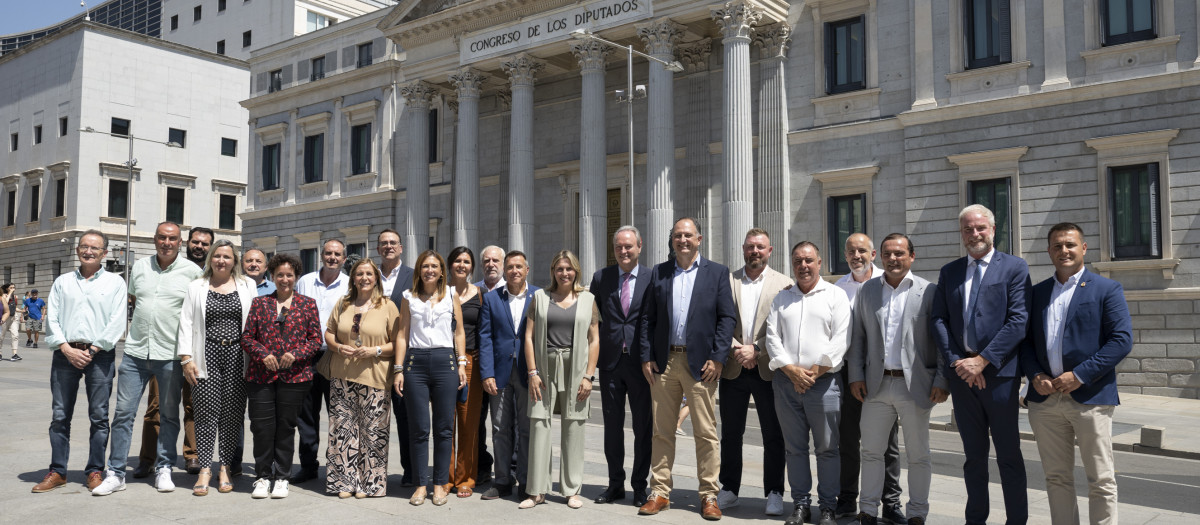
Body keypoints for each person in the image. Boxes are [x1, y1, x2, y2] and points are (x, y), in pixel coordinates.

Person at [1022, 223, 1132, 525]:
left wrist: (1080, 374)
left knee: (1101, 478)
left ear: (1083, 248)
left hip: (1090, 398)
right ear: (1049, 252)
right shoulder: (1037, 293)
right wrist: (1034, 375)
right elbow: (1026, 343)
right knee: (1056, 478)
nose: (1064, 251)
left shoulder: (1106, 289)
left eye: (1070, 245)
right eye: (1057, 246)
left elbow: (1121, 341)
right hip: (1045, 402)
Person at [931, 204, 1031, 525]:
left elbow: (1018, 321)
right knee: (973, 458)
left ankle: (1016, 520)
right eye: (967, 229)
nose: (974, 234)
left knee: (1009, 457)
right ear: (961, 233)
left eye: (980, 228)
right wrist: (959, 363)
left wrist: (983, 361)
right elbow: (939, 320)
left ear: (992, 229)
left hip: (1000, 378)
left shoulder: (1015, 268)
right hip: (963, 379)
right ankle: (975, 519)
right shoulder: (950, 272)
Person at [636, 217, 737, 521]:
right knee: (662, 431)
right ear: (672, 240)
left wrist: (719, 358)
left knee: (706, 433)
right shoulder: (660, 273)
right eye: (678, 236)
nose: (682, 240)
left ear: (699, 239)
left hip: (702, 365)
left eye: (688, 235)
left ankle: (708, 495)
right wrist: (646, 356)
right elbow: (646, 319)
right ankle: (660, 491)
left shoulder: (717, 273)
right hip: (665, 363)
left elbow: (726, 319)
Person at [846, 233, 949, 525]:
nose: (893, 259)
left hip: (915, 386)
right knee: (871, 452)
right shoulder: (867, 291)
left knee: (918, 455)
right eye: (888, 253)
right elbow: (858, 339)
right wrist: (855, 376)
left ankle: (917, 513)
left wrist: (942, 378)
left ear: (911, 257)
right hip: (876, 386)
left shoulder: (929, 291)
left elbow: (941, 341)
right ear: (881, 256)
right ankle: (867, 511)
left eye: (900, 253)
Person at [93, 221, 202, 496]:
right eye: (162, 237)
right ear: (155, 240)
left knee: (168, 415)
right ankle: (116, 472)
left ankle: (164, 467)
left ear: (181, 242)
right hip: (136, 352)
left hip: (170, 356)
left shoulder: (193, 272)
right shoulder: (140, 267)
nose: (167, 242)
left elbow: (196, 316)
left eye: (173, 238)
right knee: (123, 415)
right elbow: (133, 301)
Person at [33, 231, 127, 493]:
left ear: (104, 254)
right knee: (60, 415)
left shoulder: (115, 283)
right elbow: (52, 318)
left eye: (94, 248)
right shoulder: (63, 282)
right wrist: (65, 348)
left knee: (99, 416)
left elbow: (117, 320)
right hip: (65, 354)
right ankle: (57, 471)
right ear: (77, 250)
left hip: (100, 355)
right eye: (84, 246)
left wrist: (94, 348)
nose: (88, 251)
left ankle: (95, 470)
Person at [765, 241, 852, 525]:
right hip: (786, 384)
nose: (803, 266)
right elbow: (772, 338)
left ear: (820, 262)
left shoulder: (835, 295)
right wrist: (791, 371)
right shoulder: (782, 298)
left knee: (827, 449)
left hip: (824, 384)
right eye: (798, 261)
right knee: (795, 449)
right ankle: (800, 505)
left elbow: (841, 339)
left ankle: (828, 507)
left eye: (809, 260)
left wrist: (812, 372)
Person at [716, 228, 791, 515]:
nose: (755, 252)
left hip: (767, 369)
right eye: (750, 247)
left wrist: (757, 350)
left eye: (760, 247)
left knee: (774, 434)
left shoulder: (784, 284)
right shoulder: (728, 280)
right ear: (743, 249)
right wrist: (737, 349)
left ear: (770, 251)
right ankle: (730, 489)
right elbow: (719, 320)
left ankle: (773, 491)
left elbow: (783, 328)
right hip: (734, 367)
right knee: (731, 434)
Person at [521, 250, 600, 510]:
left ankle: (571, 490)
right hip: (545, 368)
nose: (564, 273)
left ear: (576, 270)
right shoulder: (540, 298)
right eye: (559, 269)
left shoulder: (588, 299)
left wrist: (589, 376)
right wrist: (532, 372)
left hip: (576, 369)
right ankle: (537, 491)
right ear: (553, 271)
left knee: (573, 427)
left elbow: (594, 339)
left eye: (569, 269)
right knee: (540, 425)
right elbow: (529, 337)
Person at [833, 233, 904, 522]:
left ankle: (891, 503)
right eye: (851, 251)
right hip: (848, 374)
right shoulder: (838, 288)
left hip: (882, 375)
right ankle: (847, 499)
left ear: (873, 254)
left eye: (862, 251)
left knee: (888, 443)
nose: (856, 256)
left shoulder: (888, 284)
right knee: (848, 441)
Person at [177, 240, 256, 496]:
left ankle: (225, 467)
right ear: (211, 258)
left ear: (235, 261)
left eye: (228, 257)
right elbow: (186, 322)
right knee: (205, 413)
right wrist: (186, 358)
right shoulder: (197, 286)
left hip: (237, 355)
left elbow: (254, 322)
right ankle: (204, 469)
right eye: (218, 256)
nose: (222, 260)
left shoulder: (247, 285)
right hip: (205, 354)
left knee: (232, 414)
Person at [241, 253, 322, 499]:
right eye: (280, 275)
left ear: (296, 277)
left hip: (295, 377)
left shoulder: (307, 304)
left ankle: (282, 477)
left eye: (289, 275)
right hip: (261, 376)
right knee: (262, 427)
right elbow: (247, 337)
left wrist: (296, 354)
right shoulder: (260, 303)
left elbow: (315, 339)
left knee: (286, 427)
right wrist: (262, 354)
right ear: (272, 277)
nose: (284, 279)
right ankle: (263, 476)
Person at [135, 226, 214, 477]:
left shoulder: (208, 275)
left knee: (193, 405)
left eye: (205, 244)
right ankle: (148, 458)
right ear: (186, 243)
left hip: (194, 351)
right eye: (196, 242)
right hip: (164, 349)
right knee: (156, 407)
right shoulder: (164, 267)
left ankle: (192, 456)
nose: (199, 247)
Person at [393, 250, 467, 506]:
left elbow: (458, 333)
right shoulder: (408, 297)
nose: (430, 270)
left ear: (441, 270)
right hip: (416, 364)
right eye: (425, 266)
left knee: (445, 428)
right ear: (419, 270)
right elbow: (402, 335)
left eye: (435, 266)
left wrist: (461, 363)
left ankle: (440, 484)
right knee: (419, 429)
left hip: (445, 362)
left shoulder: (451, 295)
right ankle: (420, 484)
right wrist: (398, 369)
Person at [324, 257, 399, 498]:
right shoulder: (343, 303)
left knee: (373, 433)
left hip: (375, 377)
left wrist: (374, 350)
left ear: (376, 278)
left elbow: (397, 342)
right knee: (343, 431)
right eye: (359, 274)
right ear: (353, 278)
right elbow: (329, 332)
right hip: (342, 375)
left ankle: (370, 485)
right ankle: (343, 483)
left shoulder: (387, 305)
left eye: (369, 274)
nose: (364, 278)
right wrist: (336, 347)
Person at [589, 226, 652, 507]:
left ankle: (640, 486)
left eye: (629, 246)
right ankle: (615, 484)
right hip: (611, 362)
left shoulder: (654, 277)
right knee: (612, 427)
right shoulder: (601, 277)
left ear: (640, 246)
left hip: (642, 364)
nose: (624, 252)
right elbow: (593, 320)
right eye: (619, 247)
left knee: (643, 428)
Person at [478, 250, 539, 501]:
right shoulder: (492, 299)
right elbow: (485, 337)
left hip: (528, 371)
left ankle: (525, 481)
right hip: (500, 372)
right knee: (500, 427)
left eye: (519, 266)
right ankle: (502, 480)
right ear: (505, 270)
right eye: (510, 267)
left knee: (526, 428)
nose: (514, 271)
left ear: (527, 270)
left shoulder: (540, 297)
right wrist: (487, 373)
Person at [292, 239, 349, 485]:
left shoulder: (349, 285)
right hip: (307, 355)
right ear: (321, 256)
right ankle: (308, 465)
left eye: (337, 254)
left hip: (335, 355)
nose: (332, 258)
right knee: (306, 414)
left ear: (344, 259)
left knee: (338, 413)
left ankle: (337, 467)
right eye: (328, 253)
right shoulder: (305, 281)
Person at [378, 228, 416, 487]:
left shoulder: (414, 276)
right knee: (374, 417)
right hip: (374, 357)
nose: (389, 246)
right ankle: (374, 470)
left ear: (401, 248)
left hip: (406, 357)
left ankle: (410, 470)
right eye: (384, 243)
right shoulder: (367, 274)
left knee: (406, 417)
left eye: (393, 243)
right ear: (378, 248)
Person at [447, 246, 486, 498]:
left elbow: (485, 333)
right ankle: (446, 477)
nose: (462, 265)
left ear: (472, 267)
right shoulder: (440, 293)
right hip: (442, 361)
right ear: (450, 265)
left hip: (471, 362)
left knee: (468, 422)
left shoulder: (480, 295)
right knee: (445, 423)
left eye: (467, 261)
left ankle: (465, 478)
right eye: (458, 261)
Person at [471, 244, 504, 483]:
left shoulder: (515, 291)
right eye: (486, 261)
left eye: (495, 260)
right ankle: (482, 465)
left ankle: (510, 468)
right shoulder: (473, 291)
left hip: (505, 366)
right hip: (477, 368)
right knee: (478, 420)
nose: (491, 264)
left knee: (505, 422)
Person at [1, 283, 18, 361]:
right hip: (5, 318)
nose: (13, 289)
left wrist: (22, 311)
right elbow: (5, 304)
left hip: (13, 317)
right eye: (11, 288)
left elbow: (14, 307)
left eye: (14, 287)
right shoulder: (4, 296)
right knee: (1, 336)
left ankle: (14, 354)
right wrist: (10, 293)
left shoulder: (15, 297)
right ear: (7, 288)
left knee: (15, 335)